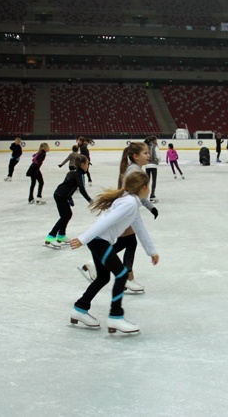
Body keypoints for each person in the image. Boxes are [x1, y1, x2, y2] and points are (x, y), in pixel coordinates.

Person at [69, 171, 159, 334]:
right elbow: (106, 221)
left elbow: (140, 228)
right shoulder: (129, 202)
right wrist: (84, 238)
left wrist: (151, 251)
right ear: (144, 187)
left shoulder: (130, 202)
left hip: (99, 241)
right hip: (98, 242)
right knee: (122, 274)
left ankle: (79, 308)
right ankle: (115, 317)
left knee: (103, 277)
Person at [77, 142, 158, 293]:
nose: (149, 155)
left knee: (128, 241)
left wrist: (149, 207)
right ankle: (127, 277)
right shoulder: (134, 171)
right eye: (146, 153)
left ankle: (97, 263)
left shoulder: (135, 169)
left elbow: (137, 194)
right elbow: (133, 193)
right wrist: (84, 238)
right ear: (136, 156)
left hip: (127, 211)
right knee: (130, 242)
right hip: (125, 212)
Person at [45, 155, 93, 248]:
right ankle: (50, 236)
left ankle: (61, 235)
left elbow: (68, 185)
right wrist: (90, 200)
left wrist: (69, 198)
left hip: (62, 196)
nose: (88, 166)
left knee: (68, 215)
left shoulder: (74, 172)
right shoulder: (79, 174)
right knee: (64, 217)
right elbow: (82, 189)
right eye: (87, 164)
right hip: (60, 196)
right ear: (82, 165)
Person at [144, 136, 160, 202]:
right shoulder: (155, 146)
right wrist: (157, 162)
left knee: (147, 181)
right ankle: (152, 195)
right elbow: (158, 156)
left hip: (147, 165)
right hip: (153, 165)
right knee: (154, 181)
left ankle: (144, 195)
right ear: (154, 140)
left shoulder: (146, 146)